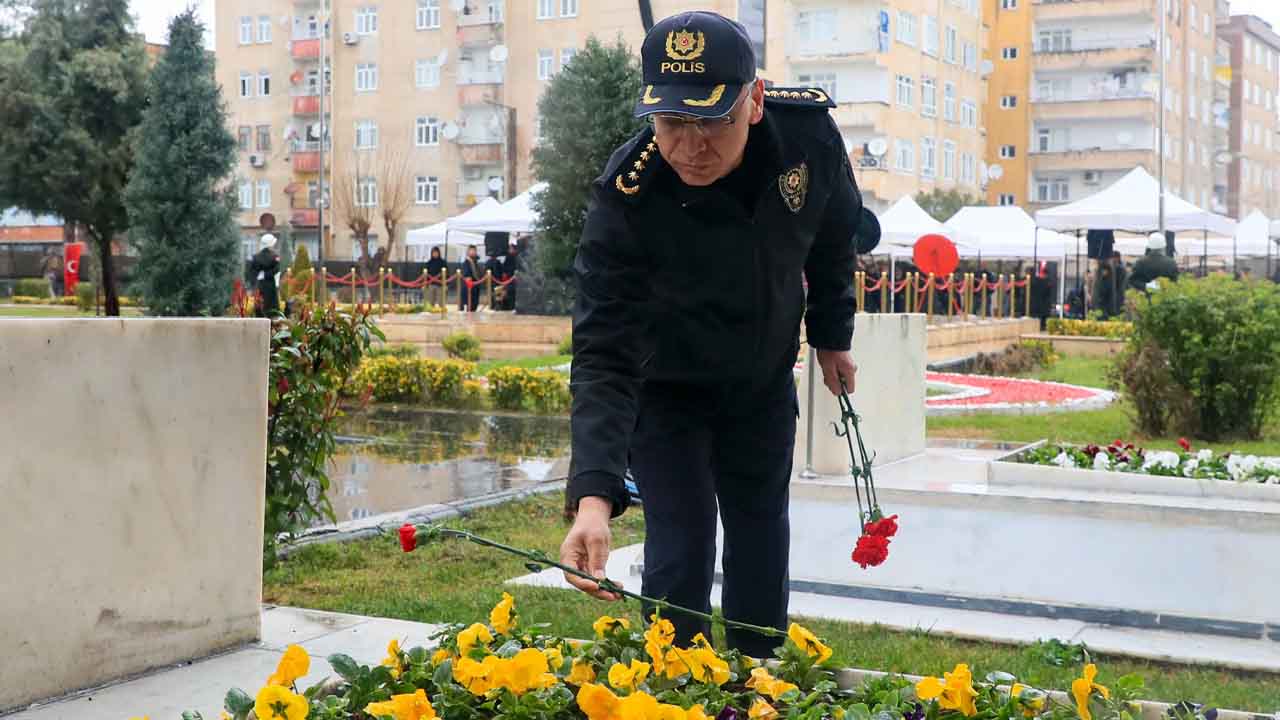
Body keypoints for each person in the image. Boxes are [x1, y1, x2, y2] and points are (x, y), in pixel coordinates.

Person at [559, 10, 878, 658]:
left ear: (754, 101)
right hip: (667, 391)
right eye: (673, 122)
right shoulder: (627, 194)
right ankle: (680, 689)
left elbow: (834, 233)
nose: (691, 146)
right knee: (680, 547)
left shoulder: (807, 139)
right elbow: (602, 352)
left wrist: (831, 335)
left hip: (759, 382)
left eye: (713, 120)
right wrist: (594, 498)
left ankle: (758, 681)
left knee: (761, 537)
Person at [250, 233, 281, 317]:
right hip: (270, 283)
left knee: (260, 305)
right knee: (271, 307)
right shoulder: (274, 256)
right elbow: (277, 269)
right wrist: (267, 274)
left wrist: (256, 279)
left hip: (259, 284)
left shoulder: (256, 257)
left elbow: (252, 271)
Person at [459, 245, 482, 311]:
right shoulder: (466, 263)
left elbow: (479, 275)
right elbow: (466, 275)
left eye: (474, 250)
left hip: (475, 287)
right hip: (468, 289)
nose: (473, 252)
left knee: (474, 306)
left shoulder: (475, 262)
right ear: (468, 252)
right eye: (471, 250)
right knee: (467, 306)